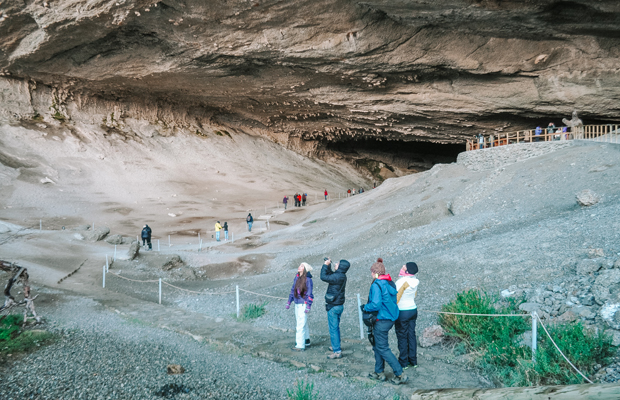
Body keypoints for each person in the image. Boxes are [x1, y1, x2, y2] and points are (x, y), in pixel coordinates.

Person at [362, 258, 408, 385]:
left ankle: (400, 373)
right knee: (378, 345)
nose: (371, 274)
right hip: (390, 318)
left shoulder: (377, 285)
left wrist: (365, 307)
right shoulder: (390, 283)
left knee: (382, 347)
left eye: (372, 272)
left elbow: (376, 304)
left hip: (381, 319)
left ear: (375, 273)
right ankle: (379, 372)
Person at [321, 258, 350, 359]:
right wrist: (328, 266)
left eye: (337, 263)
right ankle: (335, 345)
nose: (336, 264)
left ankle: (337, 351)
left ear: (341, 266)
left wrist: (325, 265)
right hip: (338, 305)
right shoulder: (341, 276)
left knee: (333, 328)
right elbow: (330, 276)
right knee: (335, 327)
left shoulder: (338, 276)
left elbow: (324, 277)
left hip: (333, 306)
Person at [395, 262, 419, 371]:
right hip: (413, 309)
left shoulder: (401, 282)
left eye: (404, 266)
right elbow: (414, 295)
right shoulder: (415, 281)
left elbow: (396, 298)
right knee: (411, 335)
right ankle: (413, 360)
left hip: (402, 311)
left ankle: (403, 362)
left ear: (407, 271)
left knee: (402, 336)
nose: (402, 267)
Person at [286, 262, 314, 351]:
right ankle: (306, 340)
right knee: (302, 323)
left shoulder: (308, 280)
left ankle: (300, 345)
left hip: (303, 304)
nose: (299, 266)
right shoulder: (297, 278)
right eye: (300, 265)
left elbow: (310, 293)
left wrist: (308, 305)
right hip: (297, 303)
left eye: (302, 266)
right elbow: (292, 289)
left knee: (300, 325)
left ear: (305, 269)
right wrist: (289, 301)